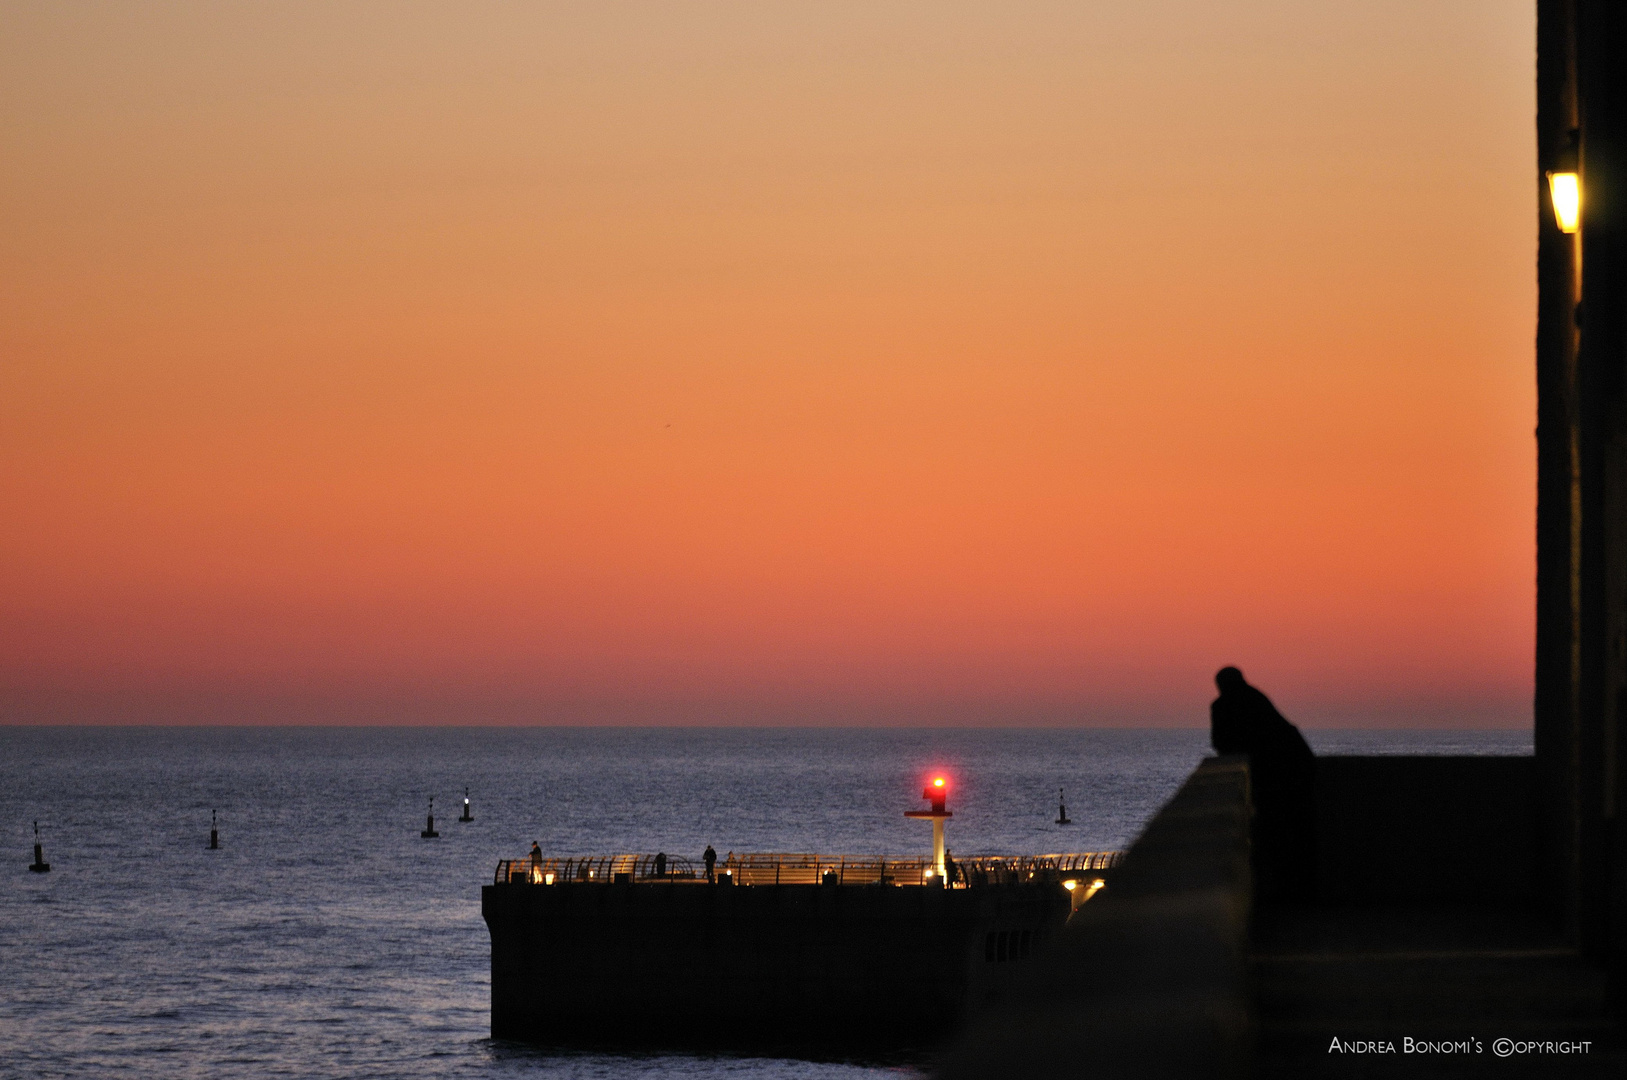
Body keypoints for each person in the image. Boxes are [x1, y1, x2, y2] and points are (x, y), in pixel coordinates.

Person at [1210, 666, 1316, 901]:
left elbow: (1221, 742)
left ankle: (1276, 891)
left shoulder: (1222, 706)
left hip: (1272, 775)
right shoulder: (1256, 697)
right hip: (1286, 770)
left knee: (1270, 834)